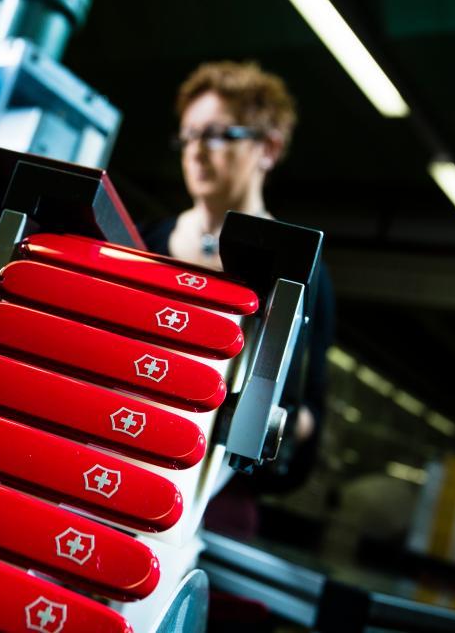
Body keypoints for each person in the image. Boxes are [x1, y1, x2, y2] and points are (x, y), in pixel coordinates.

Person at [143, 61, 335, 516]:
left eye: (217, 135)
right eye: (188, 136)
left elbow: (305, 409)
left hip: (215, 498)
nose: (195, 151)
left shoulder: (302, 271)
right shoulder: (145, 239)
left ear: (268, 148)